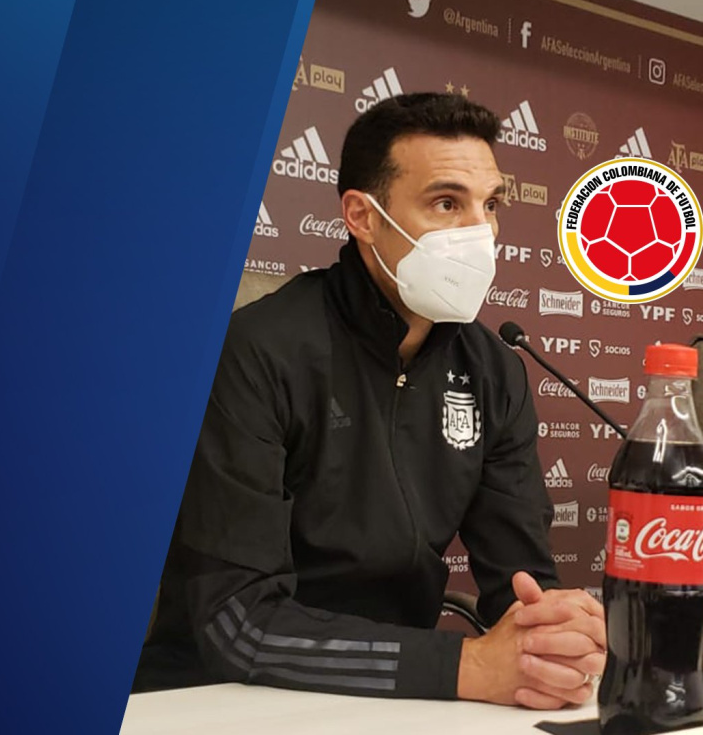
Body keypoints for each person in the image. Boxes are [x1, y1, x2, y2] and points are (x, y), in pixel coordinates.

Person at [133, 93, 606, 709]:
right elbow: (236, 621)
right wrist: (464, 665)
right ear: (362, 215)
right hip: (217, 698)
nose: (481, 232)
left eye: (490, 205)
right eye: (447, 203)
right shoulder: (258, 350)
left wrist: (554, 636)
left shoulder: (493, 369)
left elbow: (522, 585)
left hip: (401, 695)